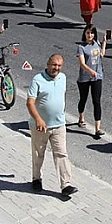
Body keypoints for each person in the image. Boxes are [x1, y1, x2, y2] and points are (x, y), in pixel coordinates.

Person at [27, 53, 77, 197]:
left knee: (61, 154)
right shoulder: (37, 80)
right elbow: (30, 102)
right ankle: (36, 178)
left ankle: (65, 185)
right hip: (40, 126)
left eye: (59, 65)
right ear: (48, 64)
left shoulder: (63, 78)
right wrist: (38, 119)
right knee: (38, 154)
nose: (56, 68)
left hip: (59, 125)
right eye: (54, 65)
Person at [76, 25, 107, 138]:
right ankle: (81, 117)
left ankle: (97, 128)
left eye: (92, 33)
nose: (90, 35)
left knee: (97, 101)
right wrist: (90, 71)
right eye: (88, 33)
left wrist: (104, 43)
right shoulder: (81, 47)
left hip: (97, 77)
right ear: (85, 34)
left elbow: (101, 55)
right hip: (84, 78)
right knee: (83, 99)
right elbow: (82, 64)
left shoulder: (96, 44)